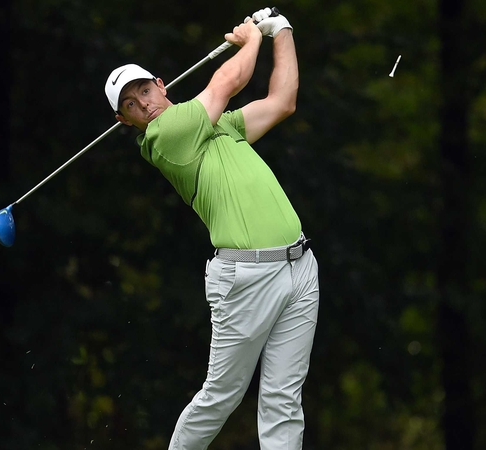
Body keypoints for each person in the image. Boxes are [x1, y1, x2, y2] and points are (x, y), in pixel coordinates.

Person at [103, 8, 319, 450]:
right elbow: (226, 83)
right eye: (130, 104)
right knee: (221, 396)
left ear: (161, 84)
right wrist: (250, 38)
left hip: (300, 268)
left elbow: (282, 102)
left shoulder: (218, 125)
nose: (143, 103)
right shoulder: (165, 136)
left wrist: (281, 31)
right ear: (127, 122)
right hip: (245, 279)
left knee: (283, 399)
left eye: (144, 90)